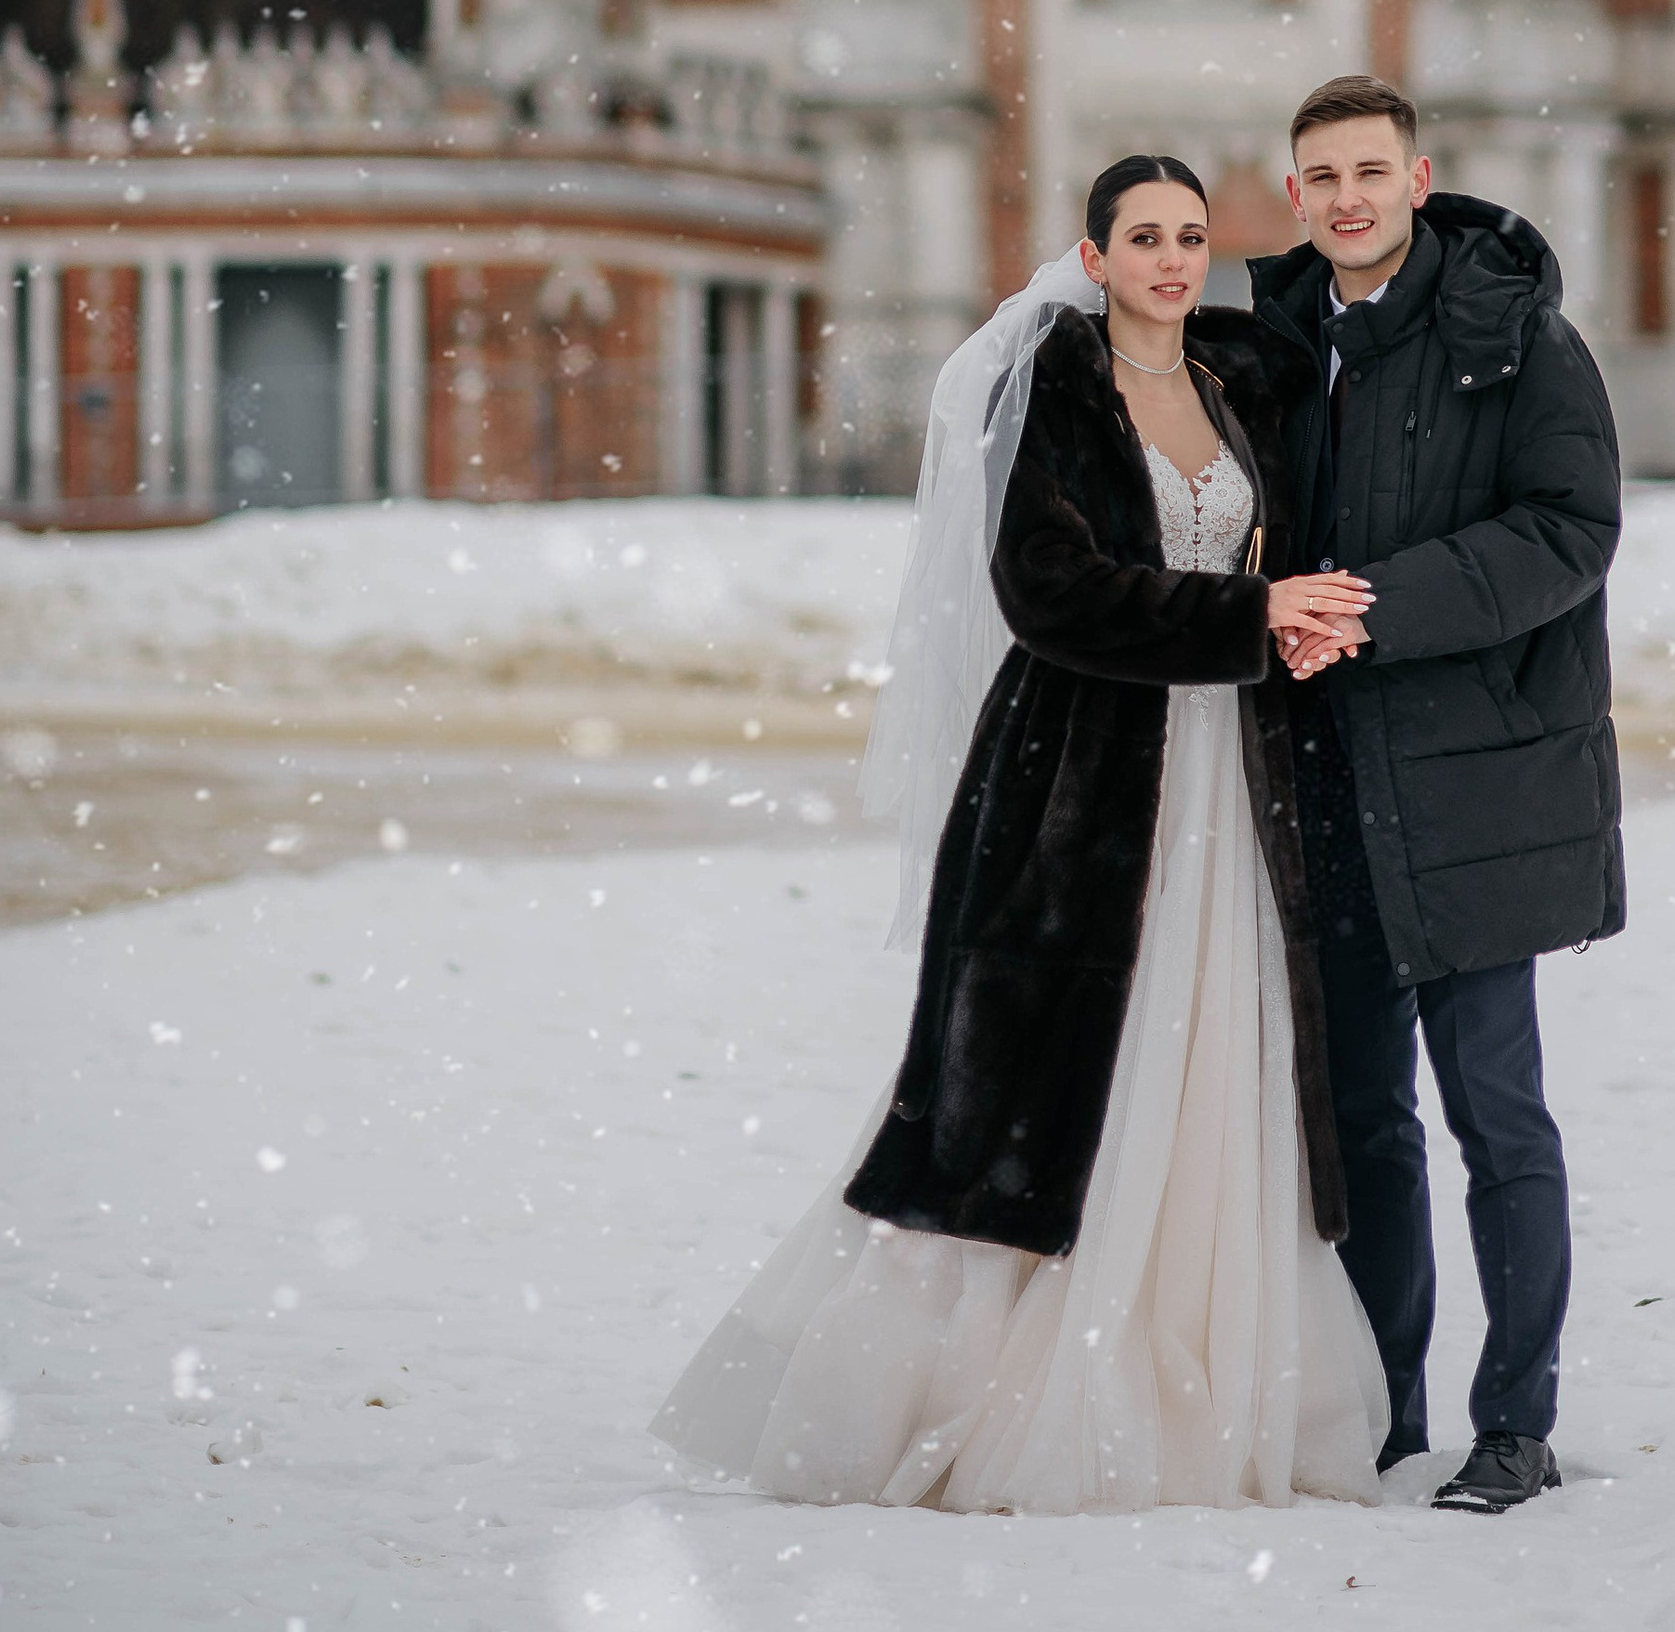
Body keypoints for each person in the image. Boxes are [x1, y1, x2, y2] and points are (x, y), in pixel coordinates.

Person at [651, 153, 1390, 1512]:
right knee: (1039, 1081)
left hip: (1226, 775)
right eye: (1141, 237)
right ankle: (970, 1389)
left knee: (1213, 1051)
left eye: (1187, 235)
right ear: (1094, 255)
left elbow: (1266, 558)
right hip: (1081, 778)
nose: (1171, 258)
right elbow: (1047, 587)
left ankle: (1198, 1375)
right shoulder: (1055, 382)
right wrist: (1246, 615)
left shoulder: (1235, 387)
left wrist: (1297, 619)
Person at [1249, 73, 1624, 1518]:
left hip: (1478, 785)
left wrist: (1375, 605)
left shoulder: (1514, 333)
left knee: (1496, 1112)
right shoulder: (1277, 345)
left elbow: (1571, 529)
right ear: (1294, 195)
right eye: (1321, 174)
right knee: (1360, 1117)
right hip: (1327, 781)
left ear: (1420, 174)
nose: (1347, 194)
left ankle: (1514, 1423)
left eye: (1370, 168)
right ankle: (1385, 1409)